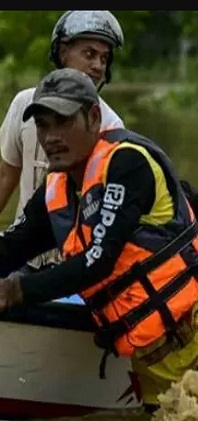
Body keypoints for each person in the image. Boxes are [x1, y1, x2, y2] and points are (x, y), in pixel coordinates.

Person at [0, 68, 198, 412]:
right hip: (151, 364)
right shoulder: (54, 192)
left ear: (93, 117)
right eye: (43, 125)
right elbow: (11, 248)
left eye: (62, 121)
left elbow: (99, 261)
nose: (51, 136)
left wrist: (17, 289)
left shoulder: (127, 162)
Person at [0, 11, 126, 273]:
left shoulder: (111, 126)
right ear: (63, 53)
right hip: (23, 255)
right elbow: (4, 178)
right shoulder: (25, 104)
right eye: (89, 54)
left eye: (104, 58)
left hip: (78, 264)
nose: (98, 66)